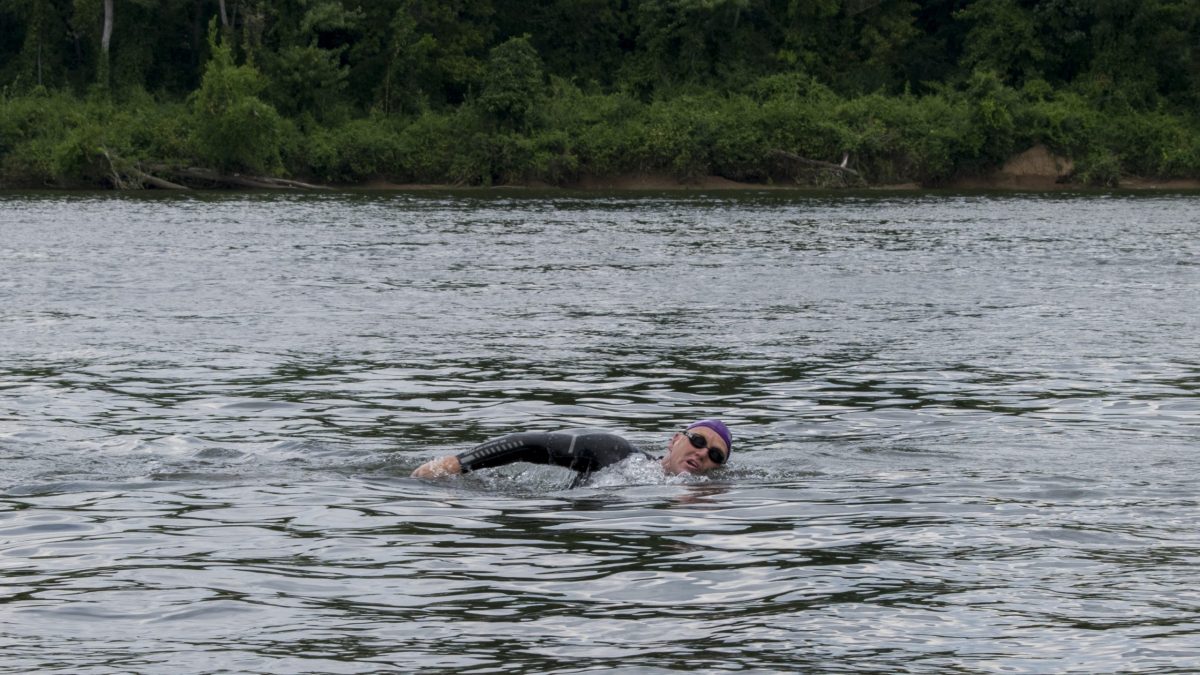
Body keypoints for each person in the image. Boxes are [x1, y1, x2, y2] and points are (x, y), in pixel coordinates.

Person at [411, 419, 732, 485]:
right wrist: (456, 464)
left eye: (716, 456)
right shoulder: (617, 453)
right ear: (675, 440)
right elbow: (528, 443)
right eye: (699, 441)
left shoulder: (705, 496)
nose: (703, 454)